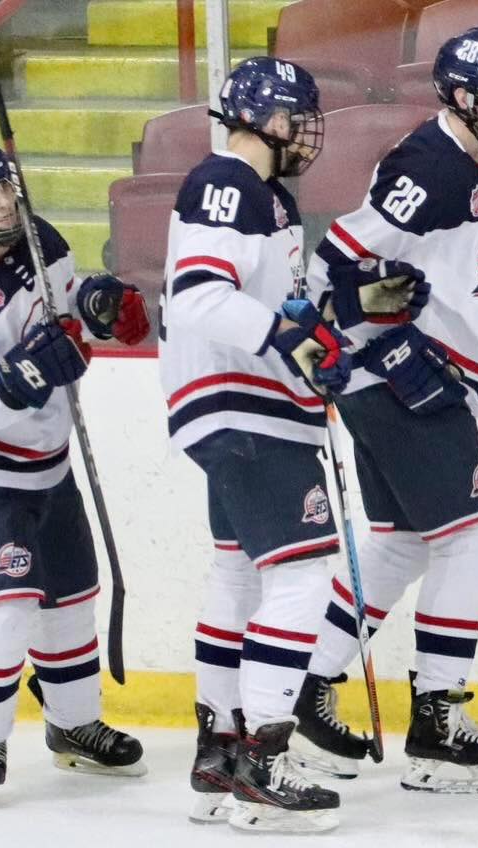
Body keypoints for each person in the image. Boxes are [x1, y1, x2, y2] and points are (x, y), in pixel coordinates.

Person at [297, 26, 478, 795]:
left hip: (437, 372)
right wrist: (383, 348)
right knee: (468, 544)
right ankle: (437, 724)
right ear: (458, 98)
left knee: (401, 546)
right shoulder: (426, 167)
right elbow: (332, 272)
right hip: (398, 378)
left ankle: (307, 689)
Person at [0, 137, 151, 804]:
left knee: (70, 595)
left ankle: (73, 727)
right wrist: (25, 376)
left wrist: (99, 305)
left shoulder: (39, 236)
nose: (3, 202)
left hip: (44, 458)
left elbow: (66, 307)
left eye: (4, 186)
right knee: (6, 605)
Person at [159, 56, 354, 833]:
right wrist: (288, 339)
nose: (306, 133)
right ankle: (265, 759)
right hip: (245, 409)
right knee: (304, 571)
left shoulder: (262, 198)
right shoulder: (228, 181)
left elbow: (270, 302)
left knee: (238, 572)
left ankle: (220, 752)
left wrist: (331, 316)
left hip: (236, 408)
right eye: (296, 117)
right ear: (264, 120)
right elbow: (201, 293)